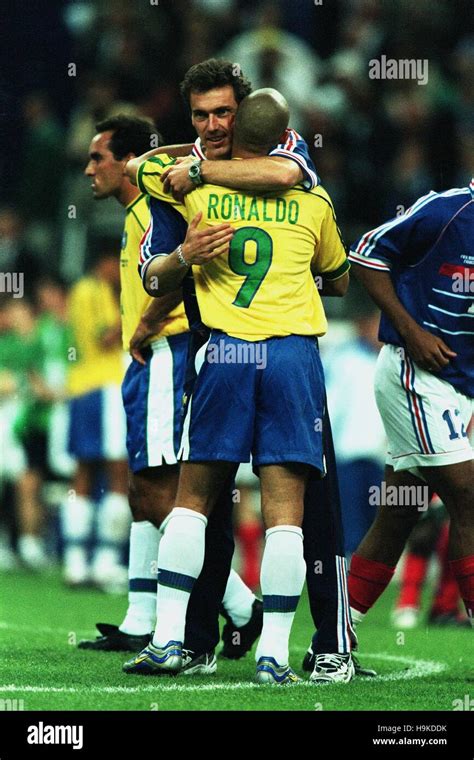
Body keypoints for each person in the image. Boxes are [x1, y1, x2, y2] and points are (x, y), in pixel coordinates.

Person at [126, 57, 368, 684]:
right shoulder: (310, 197)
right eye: (200, 115)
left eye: (223, 113)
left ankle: (173, 639)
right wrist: (183, 255)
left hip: (226, 350)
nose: (210, 125)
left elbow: (155, 249)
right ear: (190, 118)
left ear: (244, 111)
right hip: (291, 353)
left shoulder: (193, 185)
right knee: (284, 510)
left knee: (195, 501)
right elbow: (341, 279)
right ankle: (271, 657)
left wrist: (193, 183)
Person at [78, 115, 262, 671]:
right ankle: (140, 618)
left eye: (98, 158)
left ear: (128, 161)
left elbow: (178, 273)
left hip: (166, 350)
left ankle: (241, 603)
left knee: (162, 496)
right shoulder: (134, 214)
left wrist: (144, 325)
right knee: (142, 491)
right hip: (148, 357)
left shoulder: (159, 209)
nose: (89, 170)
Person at [346, 179, 474, 632]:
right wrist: (410, 330)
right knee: (468, 498)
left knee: (400, 509)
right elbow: (365, 253)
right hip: (414, 374)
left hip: (459, 389)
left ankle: (336, 635)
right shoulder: (447, 211)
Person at [62, 247, 130, 590]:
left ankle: (76, 562)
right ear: (106, 261)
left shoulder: (81, 290)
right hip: (103, 386)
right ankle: (104, 561)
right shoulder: (95, 290)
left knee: (85, 469)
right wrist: (136, 308)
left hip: (82, 387)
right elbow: (106, 337)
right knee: (118, 468)